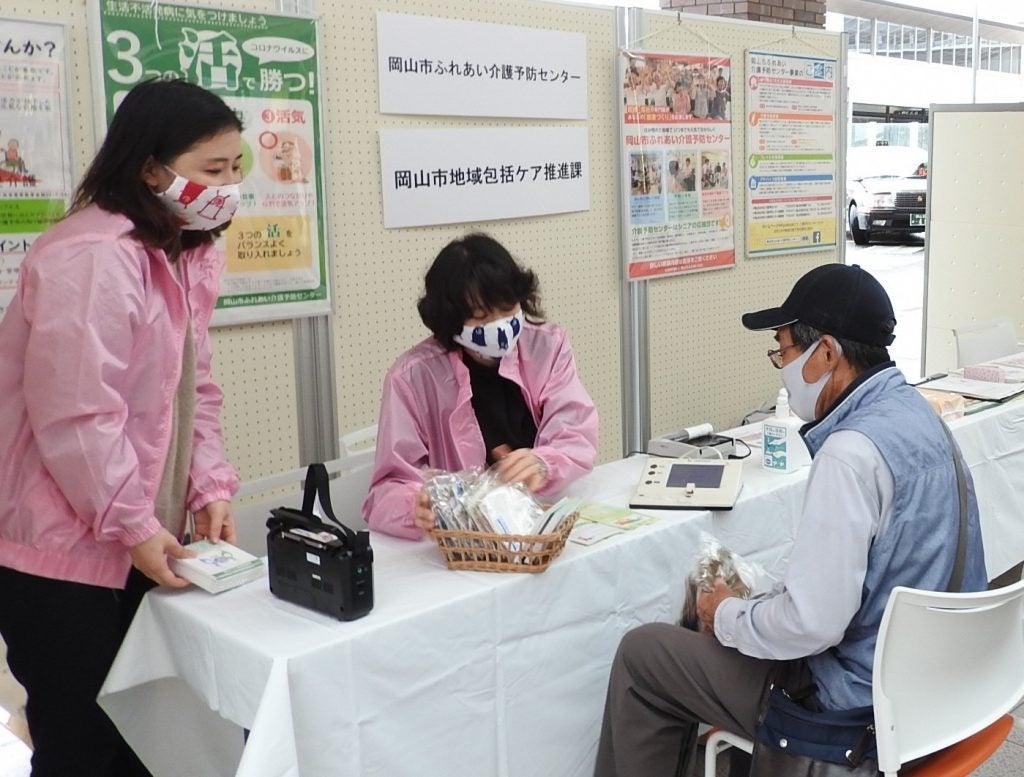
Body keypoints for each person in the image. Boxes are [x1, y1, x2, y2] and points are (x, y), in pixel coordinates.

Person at [594, 263, 987, 777]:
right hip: (944, 692)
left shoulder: (850, 453)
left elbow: (812, 625)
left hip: (856, 712)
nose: (781, 366)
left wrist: (724, 614)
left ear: (826, 353)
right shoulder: (918, 416)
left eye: (783, 350)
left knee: (645, 654)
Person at [0, 79, 242, 777]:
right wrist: (133, 523)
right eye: (212, 169)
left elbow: (194, 388)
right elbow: (78, 416)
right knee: (80, 743)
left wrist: (209, 484)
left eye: (236, 168)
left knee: (146, 736)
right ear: (151, 169)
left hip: (140, 537)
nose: (229, 187)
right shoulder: (93, 255)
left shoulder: (183, 250)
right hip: (62, 551)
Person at [362, 233, 599, 539]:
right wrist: (413, 506)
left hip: (547, 525)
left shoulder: (547, 346)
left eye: (507, 308)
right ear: (450, 320)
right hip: (464, 545)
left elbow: (576, 433)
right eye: (480, 317)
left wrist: (543, 463)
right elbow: (385, 491)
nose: (499, 325)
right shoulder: (413, 377)